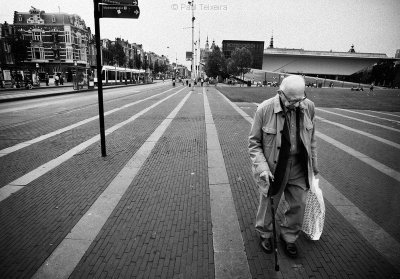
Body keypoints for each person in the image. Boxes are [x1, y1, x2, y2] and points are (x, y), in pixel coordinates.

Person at [248, 75, 319, 258]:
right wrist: (262, 168)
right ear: (280, 93)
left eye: (299, 100)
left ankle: (289, 236)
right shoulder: (264, 109)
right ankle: (265, 233)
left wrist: (314, 168)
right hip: (273, 166)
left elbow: (311, 140)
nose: (296, 104)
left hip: (299, 166)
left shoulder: (308, 106)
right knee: (269, 203)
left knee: (299, 203)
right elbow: (254, 144)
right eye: (292, 100)